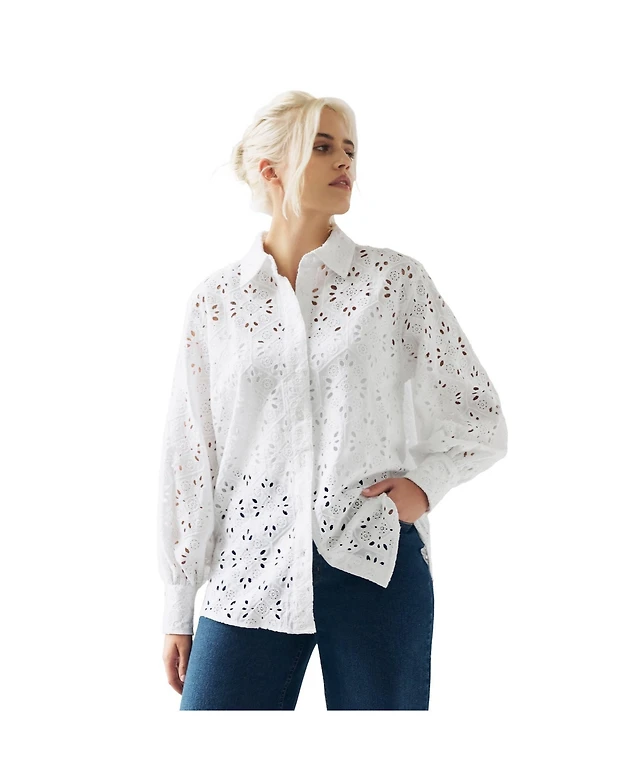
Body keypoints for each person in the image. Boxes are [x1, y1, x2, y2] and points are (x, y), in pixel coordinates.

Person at [157, 90, 508, 710]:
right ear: (271, 170)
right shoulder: (217, 301)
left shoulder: (394, 281)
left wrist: (424, 486)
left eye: (349, 148)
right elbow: (191, 455)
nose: (345, 161)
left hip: (373, 560)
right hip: (249, 570)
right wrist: (178, 604)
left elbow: (478, 412)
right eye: (322, 147)